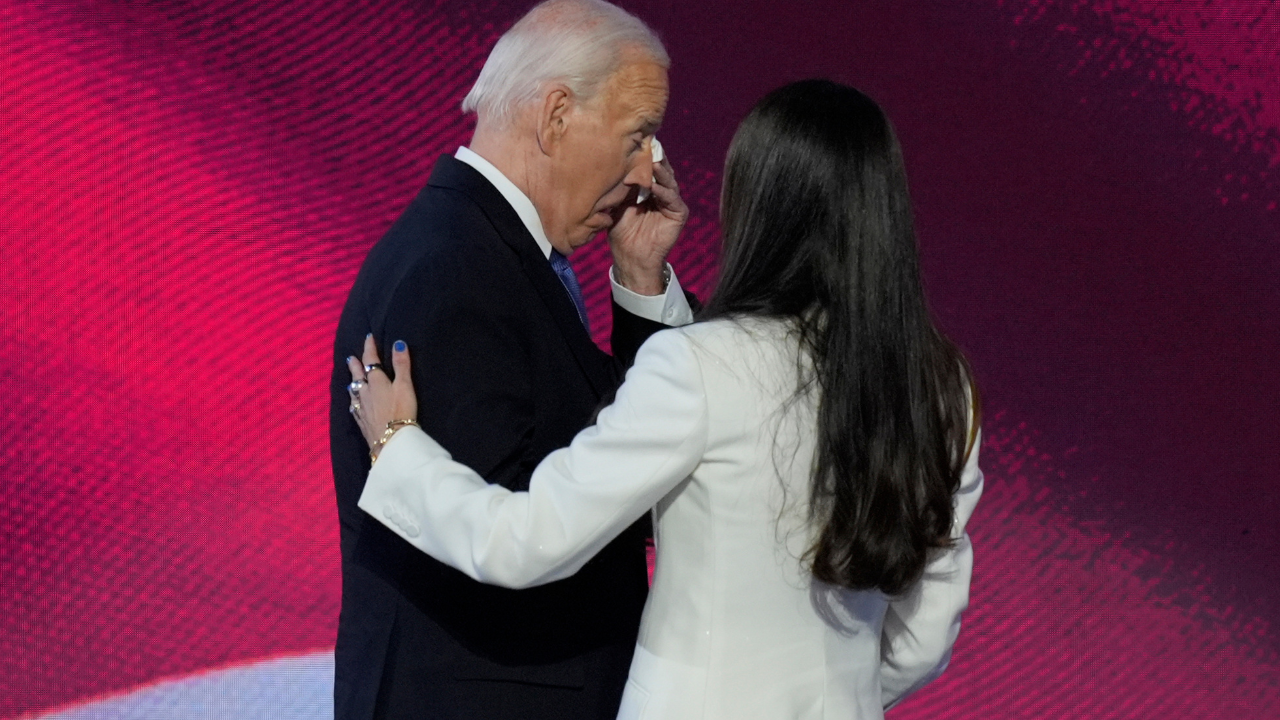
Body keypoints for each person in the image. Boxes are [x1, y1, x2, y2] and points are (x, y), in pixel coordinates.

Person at [344, 80, 985, 719]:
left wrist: (398, 447)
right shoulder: (942, 389)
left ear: (757, 205)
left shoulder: (702, 366)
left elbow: (526, 540)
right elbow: (924, 636)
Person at [328, 1, 696, 718]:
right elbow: (518, 527)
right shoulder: (454, 267)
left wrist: (643, 281)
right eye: (637, 136)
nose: (651, 168)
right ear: (556, 114)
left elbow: (627, 458)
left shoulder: (496, 255)